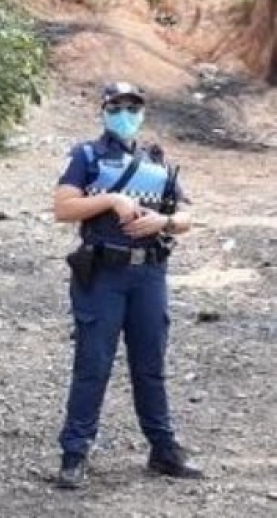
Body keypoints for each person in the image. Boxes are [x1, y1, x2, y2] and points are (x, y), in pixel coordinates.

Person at [54, 82, 203, 488]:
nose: (126, 113)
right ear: (103, 110)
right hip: (103, 273)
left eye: (133, 107)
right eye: (117, 106)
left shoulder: (156, 161)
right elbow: (63, 208)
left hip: (149, 273)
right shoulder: (86, 156)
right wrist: (109, 201)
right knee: (93, 365)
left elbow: (189, 217)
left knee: (150, 366)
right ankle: (74, 453)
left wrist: (164, 222)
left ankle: (163, 449)